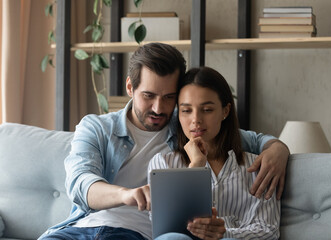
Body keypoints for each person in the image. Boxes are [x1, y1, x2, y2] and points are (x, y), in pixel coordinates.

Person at [39, 43, 288, 240]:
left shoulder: (187, 124)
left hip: (135, 234)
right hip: (79, 229)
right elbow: (81, 183)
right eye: (148, 95)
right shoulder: (97, 127)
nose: (159, 108)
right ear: (130, 87)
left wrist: (278, 148)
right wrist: (127, 195)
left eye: (169, 97)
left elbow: (249, 139)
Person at [148, 66, 281, 240]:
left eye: (207, 109)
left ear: (225, 111)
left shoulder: (257, 167)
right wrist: (196, 165)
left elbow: (268, 229)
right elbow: (165, 230)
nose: (196, 119)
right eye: (186, 110)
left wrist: (223, 234)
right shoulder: (162, 165)